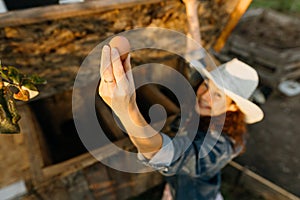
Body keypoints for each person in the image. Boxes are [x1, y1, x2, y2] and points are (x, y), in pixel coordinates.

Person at [99, 44, 264, 200]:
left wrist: (128, 112)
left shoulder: (223, 146)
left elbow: (173, 156)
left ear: (234, 107)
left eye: (218, 95)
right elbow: (195, 51)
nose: (205, 96)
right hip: (176, 188)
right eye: (206, 85)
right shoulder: (202, 113)